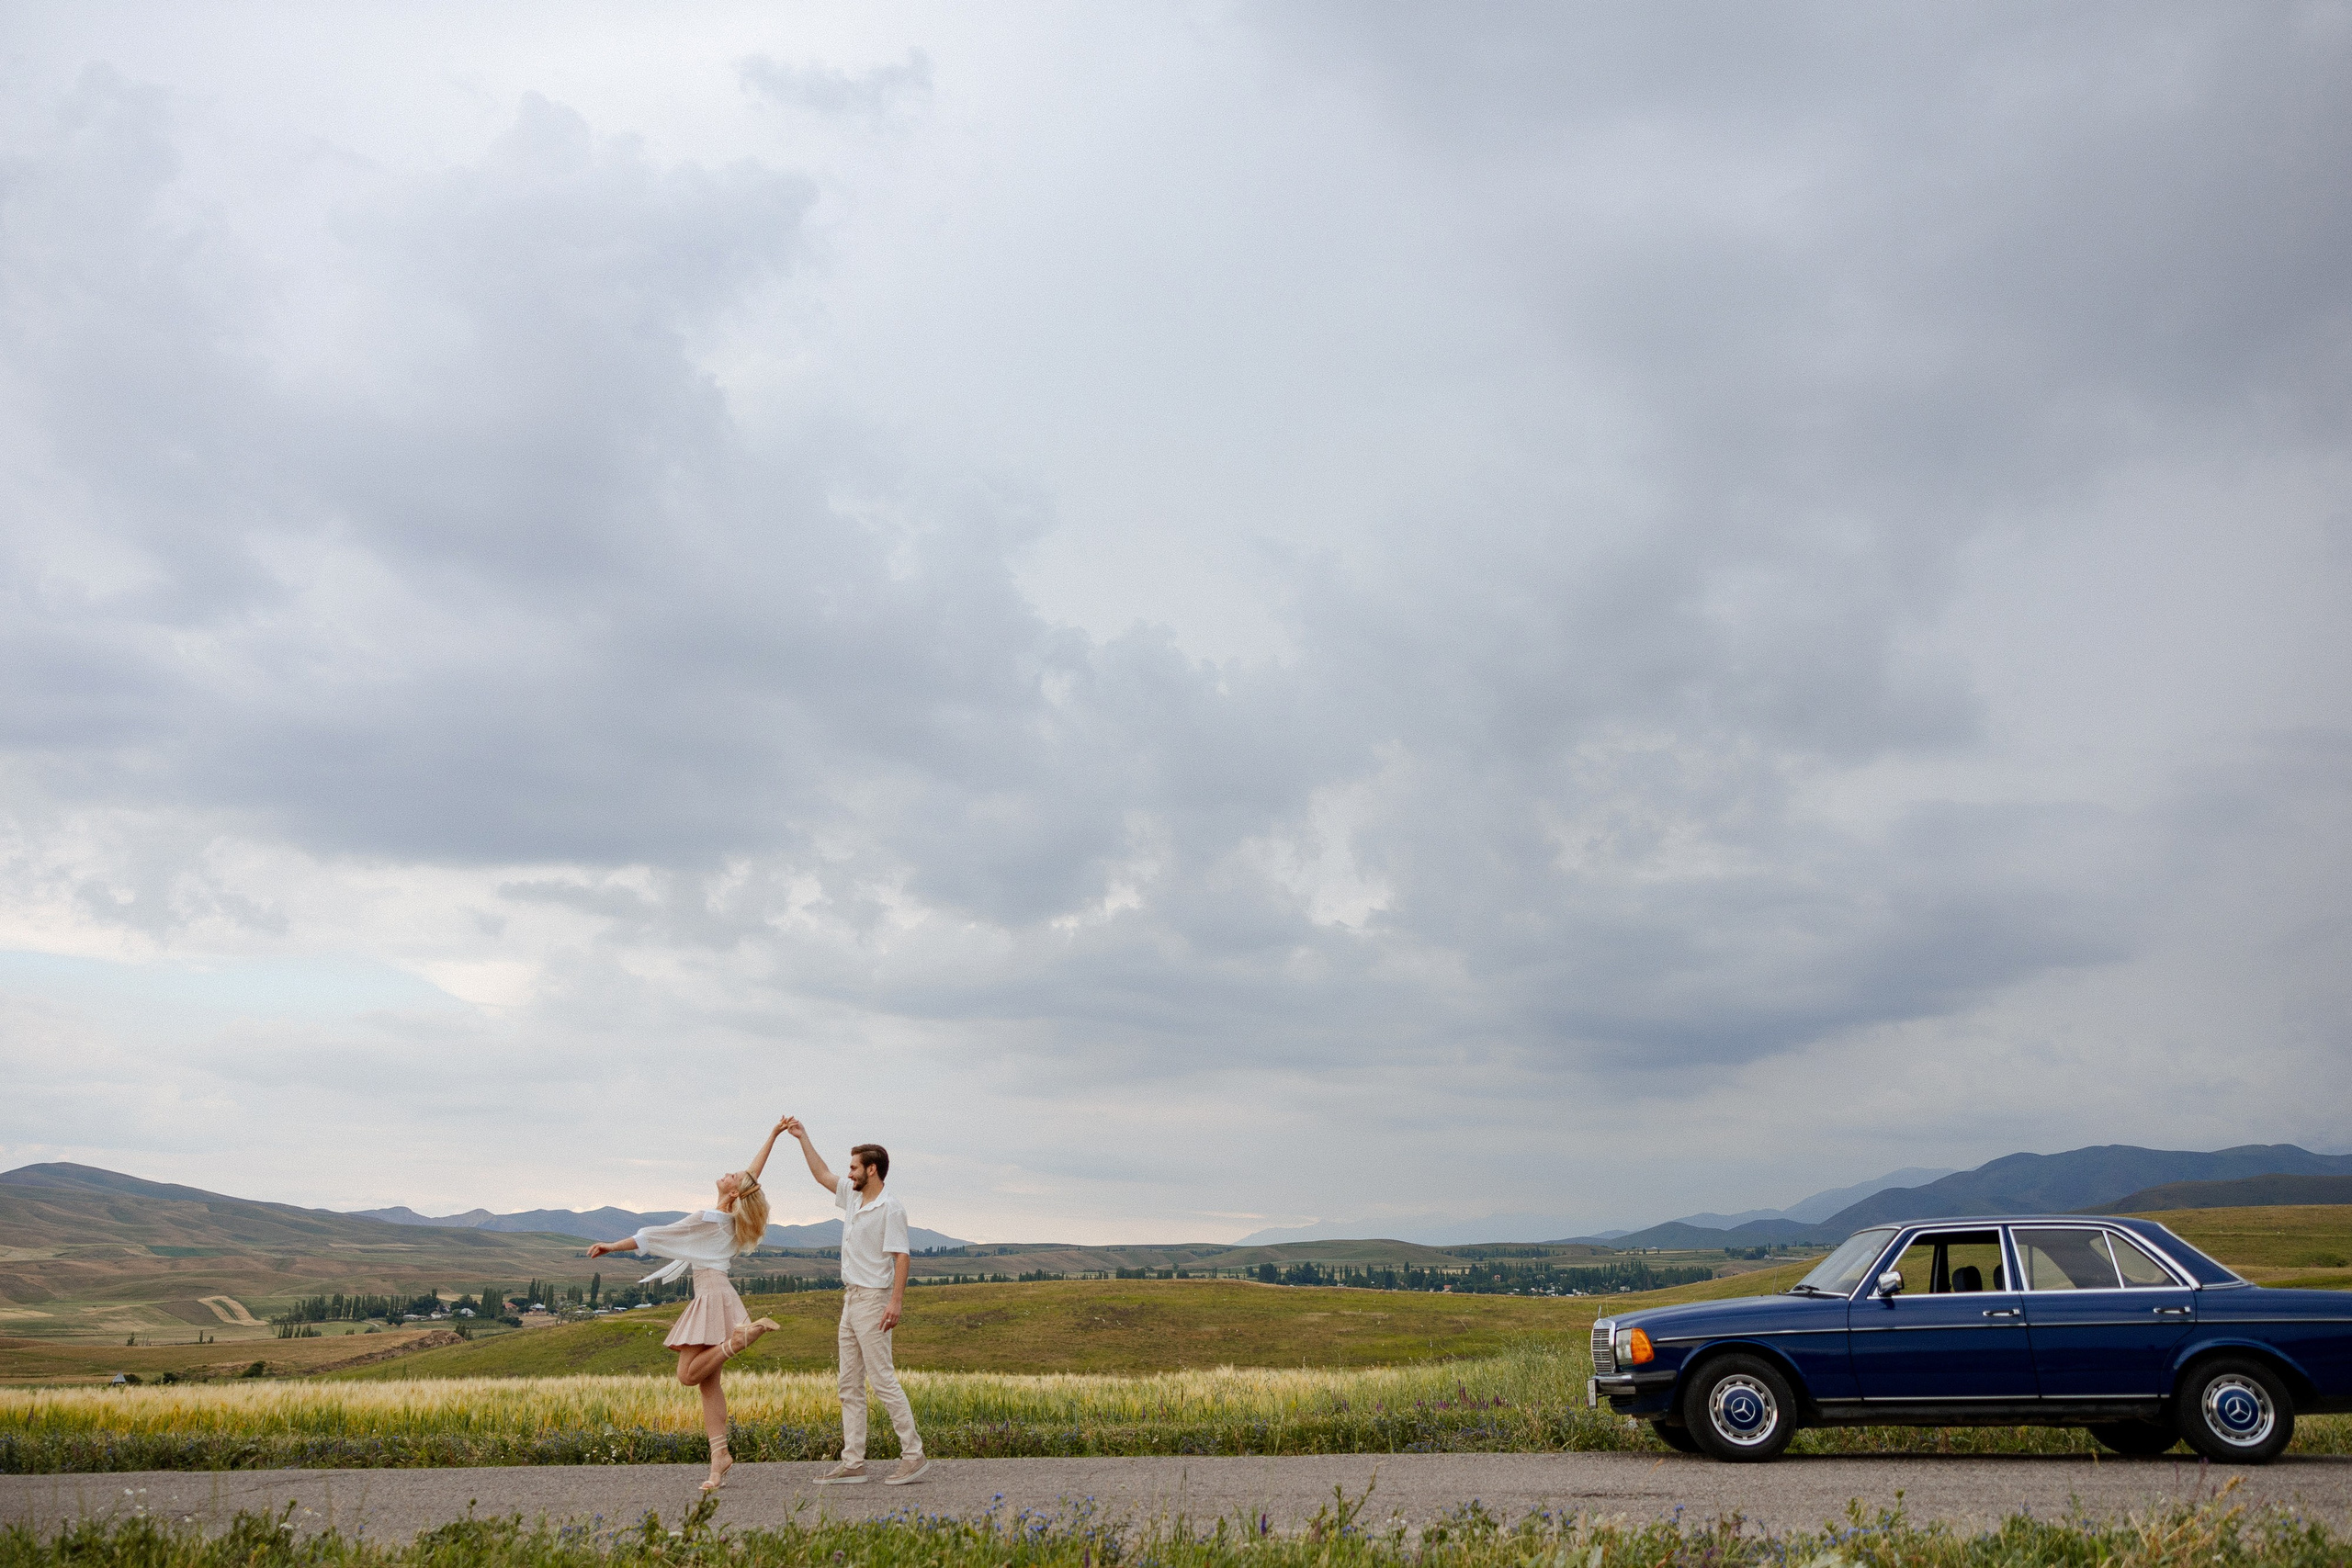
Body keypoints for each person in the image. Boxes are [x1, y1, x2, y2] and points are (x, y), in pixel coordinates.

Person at [587, 1116, 787, 1493]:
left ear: (734, 1192)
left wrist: (613, 1246)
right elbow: (752, 1178)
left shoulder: (709, 1219)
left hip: (711, 1296)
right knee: (708, 1384)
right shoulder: (731, 1218)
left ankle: (739, 1341)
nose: (728, 1173)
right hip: (718, 1295)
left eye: (731, 1176)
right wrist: (773, 1135)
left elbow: (655, 1235)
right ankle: (719, 1459)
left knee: (687, 1375)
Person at [781, 1116, 927, 1484]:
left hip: (874, 1300)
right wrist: (802, 1137)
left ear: (871, 1169)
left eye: (853, 1168)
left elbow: (902, 1256)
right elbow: (821, 1174)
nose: (848, 1174)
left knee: (882, 1379)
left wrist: (895, 1303)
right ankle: (853, 1462)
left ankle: (914, 1455)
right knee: (848, 1384)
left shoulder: (891, 1208)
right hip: (851, 1300)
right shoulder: (853, 1195)